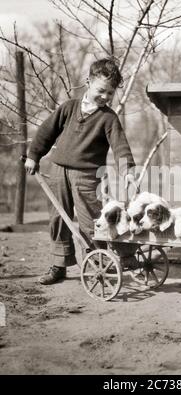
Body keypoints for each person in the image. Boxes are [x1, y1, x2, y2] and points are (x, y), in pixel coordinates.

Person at [25, 58, 137, 285]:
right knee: (59, 218)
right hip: (57, 170)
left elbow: (120, 146)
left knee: (91, 221)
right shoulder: (69, 107)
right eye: (101, 91)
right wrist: (33, 156)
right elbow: (46, 132)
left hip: (87, 177)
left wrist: (128, 170)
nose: (105, 97)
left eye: (110, 93)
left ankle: (97, 265)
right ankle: (59, 265)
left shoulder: (108, 118)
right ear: (88, 82)